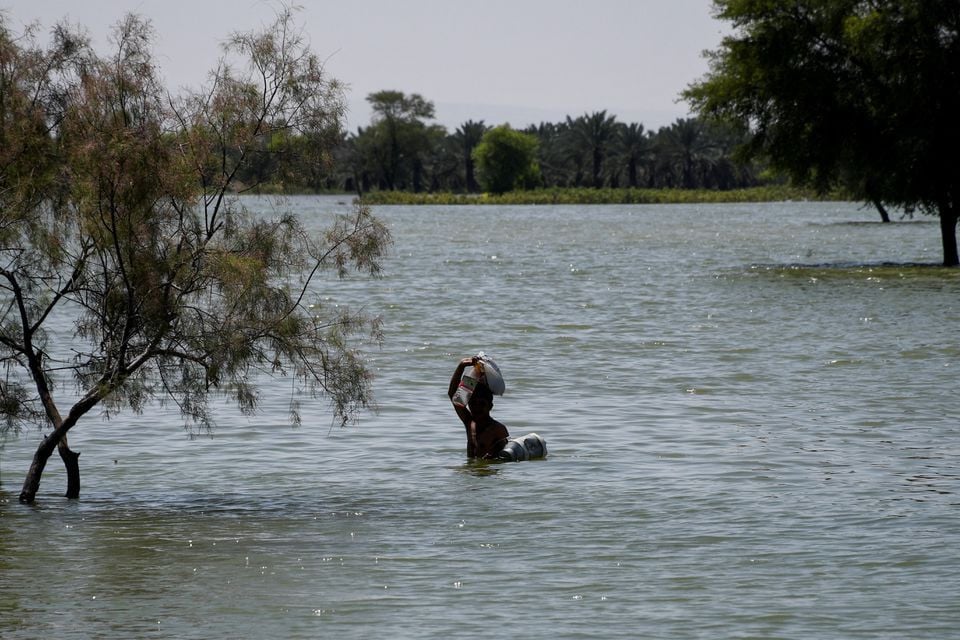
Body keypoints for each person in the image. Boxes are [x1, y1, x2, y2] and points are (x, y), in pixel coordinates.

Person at [448, 356, 509, 459]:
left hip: (489, 473)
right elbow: (453, 395)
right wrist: (462, 365)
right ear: (468, 403)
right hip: (471, 472)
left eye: (481, 404)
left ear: (490, 406)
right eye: (473, 403)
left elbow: (508, 455)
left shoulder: (497, 429)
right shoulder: (470, 423)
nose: (477, 407)